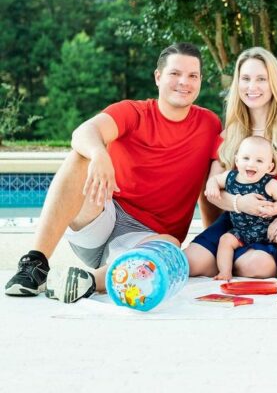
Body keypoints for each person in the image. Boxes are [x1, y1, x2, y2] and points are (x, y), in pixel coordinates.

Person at [4, 43, 222, 302]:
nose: (184, 82)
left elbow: (208, 186)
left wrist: (212, 240)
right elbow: (83, 132)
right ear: (158, 77)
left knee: (170, 245)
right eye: (175, 73)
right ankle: (35, 264)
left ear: (199, 81)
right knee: (80, 155)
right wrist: (99, 153)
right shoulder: (133, 112)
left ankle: (87, 281)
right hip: (101, 216)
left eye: (192, 76)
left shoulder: (209, 125)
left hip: (145, 240)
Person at [185, 47, 277, 279]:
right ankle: (227, 260)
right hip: (238, 220)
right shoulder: (231, 134)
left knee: (256, 266)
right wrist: (238, 203)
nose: (251, 86)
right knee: (190, 262)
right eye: (245, 79)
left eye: (261, 79)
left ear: (273, 82)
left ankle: (238, 262)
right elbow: (213, 190)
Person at [205, 136, 277, 283]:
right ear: (237, 160)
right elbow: (215, 179)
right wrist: (212, 185)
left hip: (267, 229)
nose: (251, 164)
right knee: (225, 240)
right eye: (246, 158)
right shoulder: (229, 177)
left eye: (259, 161)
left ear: (269, 167)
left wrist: (274, 209)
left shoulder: (270, 184)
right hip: (241, 230)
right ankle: (225, 271)